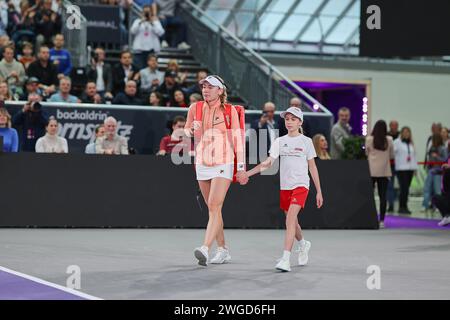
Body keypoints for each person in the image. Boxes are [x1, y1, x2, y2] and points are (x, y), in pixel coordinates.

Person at [244, 107, 323, 272]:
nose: (289, 122)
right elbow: (267, 163)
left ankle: (285, 259)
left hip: (301, 185)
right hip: (285, 187)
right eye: (287, 119)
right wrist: (248, 173)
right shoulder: (280, 141)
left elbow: (313, 167)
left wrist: (319, 191)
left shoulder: (306, 141)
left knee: (290, 219)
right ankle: (303, 244)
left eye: (293, 119)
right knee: (293, 221)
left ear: (300, 122)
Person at [184, 75, 246, 266]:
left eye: (210, 87)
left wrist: (241, 167)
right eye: (204, 86)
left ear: (220, 90)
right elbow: (184, 131)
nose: (205, 90)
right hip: (202, 163)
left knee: (213, 206)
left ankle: (205, 247)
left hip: (224, 162)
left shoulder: (229, 111)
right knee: (214, 211)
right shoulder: (195, 108)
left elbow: (238, 140)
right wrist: (191, 130)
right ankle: (223, 249)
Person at [365, 120, 394, 228]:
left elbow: (366, 153)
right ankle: (382, 220)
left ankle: (369, 218)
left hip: (371, 171)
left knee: (369, 196)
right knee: (383, 197)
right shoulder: (389, 140)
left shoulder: (369, 139)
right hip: (384, 171)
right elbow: (392, 155)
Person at [130, 5, 165, 70]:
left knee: (150, 70)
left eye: (148, 12)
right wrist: (141, 22)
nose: (146, 14)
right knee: (139, 69)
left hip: (151, 51)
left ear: (151, 13)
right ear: (142, 12)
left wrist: (152, 23)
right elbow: (132, 31)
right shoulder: (138, 21)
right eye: (145, 12)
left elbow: (161, 33)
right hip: (139, 51)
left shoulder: (155, 21)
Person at [393, 127, 418, 214]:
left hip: (410, 169)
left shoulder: (411, 143)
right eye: (405, 132)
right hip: (401, 168)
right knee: (403, 188)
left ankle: (405, 206)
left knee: (406, 189)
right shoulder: (397, 142)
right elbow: (392, 153)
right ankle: (401, 206)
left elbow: (414, 156)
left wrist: (415, 168)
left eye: (408, 132)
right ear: (401, 133)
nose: (406, 133)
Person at [422, 133, 447, 212]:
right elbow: (429, 158)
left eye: (434, 139)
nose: (433, 141)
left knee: (437, 190)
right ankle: (425, 205)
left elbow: (445, 160)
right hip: (431, 170)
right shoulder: (431, 147)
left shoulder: (443, 148)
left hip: (438, 171)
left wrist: (437, 157)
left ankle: (437, 206)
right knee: (427, 189)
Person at [433, 151, 450, 226]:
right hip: (446, 188)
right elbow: (444, 165)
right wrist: (439, 171)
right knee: (436, 198)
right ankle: (447, 216)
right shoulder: (449, 156)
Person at [387, 120, 400, 212]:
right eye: (392, 125)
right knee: (389, 185)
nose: (394, 127)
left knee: (402, 185)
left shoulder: (401, 135)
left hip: (400, 164)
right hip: (389, 164)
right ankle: (390, 204)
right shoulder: (386, 135)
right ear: (390, 126)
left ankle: (402, 205)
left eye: (396, 125)